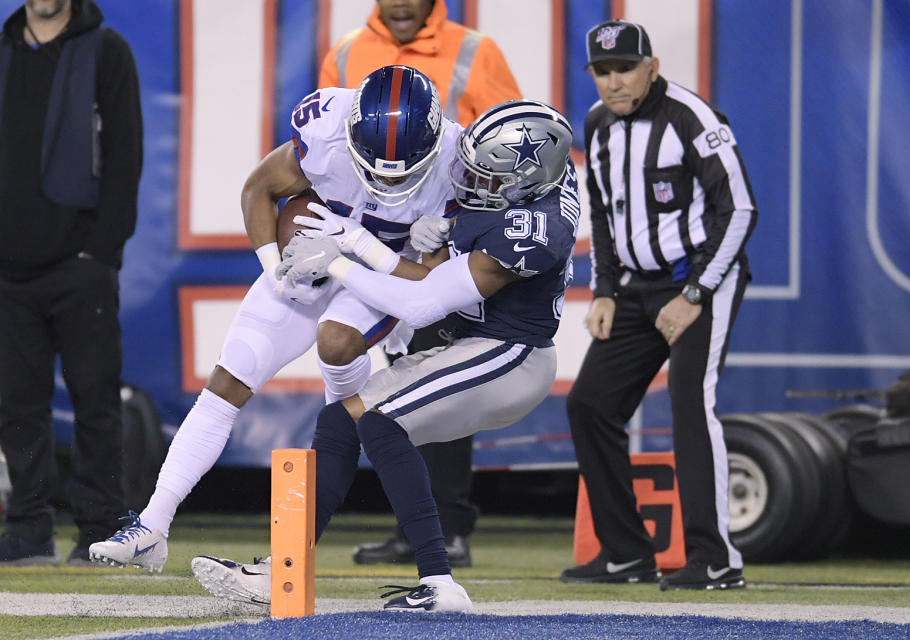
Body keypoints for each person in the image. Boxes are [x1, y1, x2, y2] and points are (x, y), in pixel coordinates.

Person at [190, 99, 579, 612]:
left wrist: (349, 254)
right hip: (471, 343)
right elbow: (438, 265)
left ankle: (441, 584)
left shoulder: (536, 227)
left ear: (526, 182)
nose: (470, 183)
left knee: (381, 422)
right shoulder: (532, 181)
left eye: (486, 179)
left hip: (511, 355)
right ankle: (281, 571)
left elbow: (423, 303)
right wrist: (423, 243)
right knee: (340, 421)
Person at [88, 65, 461, 572]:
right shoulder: (325, 131)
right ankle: (152, 527)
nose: (386, 179)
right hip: (309, 261)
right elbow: (258, 188)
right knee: (230, 376)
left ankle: (293, 559)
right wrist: (274, 267)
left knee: (336, 368)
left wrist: (360, 246)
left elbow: (432, 286)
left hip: (376, 279)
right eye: (372, 165)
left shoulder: (458, 165)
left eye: (403, 168)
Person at [321, 0, 523, 568]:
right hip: (371, 238)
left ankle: (448, 526)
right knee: (397, 384)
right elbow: (327, 158)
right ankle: (414, 525)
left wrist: (458, 225)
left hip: (443, 243)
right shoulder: (345, 52)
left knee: (441, 379)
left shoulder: (474, 51)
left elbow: (510, 161)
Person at [560, 21, 757, 590]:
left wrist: (695, 293)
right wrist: (601, 289)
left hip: (700, 280)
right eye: (602, 71)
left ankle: (715, 559)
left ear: (653, 66)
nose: (614, 81)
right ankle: (626, 555)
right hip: (633, 287)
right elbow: (600, 215)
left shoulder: (693, 117)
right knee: (590, 405)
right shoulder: (596, 127)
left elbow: (739, 210)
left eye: (625, 68)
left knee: (690, 402)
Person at [0, 0, 142, 567]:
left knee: (96, 400)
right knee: (16, 404)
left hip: (80, 266)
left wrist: (99, 251)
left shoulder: (107, 50)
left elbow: (127, 152)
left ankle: (101, 531)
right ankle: (29, 531)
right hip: (7, 269)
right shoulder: (5, 49)